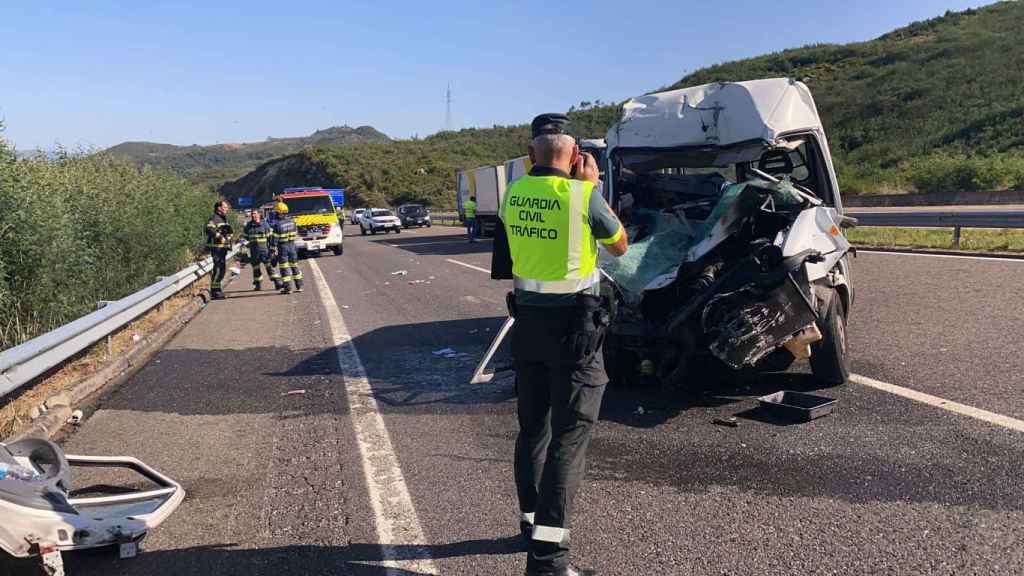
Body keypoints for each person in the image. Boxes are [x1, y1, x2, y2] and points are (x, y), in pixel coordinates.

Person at [498, 113, 628, 576]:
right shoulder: (583, 195)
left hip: (528, 328)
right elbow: (620, 246)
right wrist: (592, 187)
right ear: (575, 156)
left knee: (534, 429)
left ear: (531, 154)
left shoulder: (512, 194)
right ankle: (549, 562)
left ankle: (530, 524)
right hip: (575, 334)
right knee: (569, 440)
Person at [270, 201, 303, 294]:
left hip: (283, 248)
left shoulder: (278, 225)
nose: (275, 214)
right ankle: (299, 286)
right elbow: (296, 234)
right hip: (292, 246)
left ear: (280, 213)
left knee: (284, 268)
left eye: (276, 212)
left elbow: (274, 240)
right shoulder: (293, 222)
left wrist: (272, 251)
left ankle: (288, 288)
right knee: (294, 266)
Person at [243, 208, 278, 291]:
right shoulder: (248, 225)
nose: (253, 215)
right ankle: (258, 285)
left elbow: (270, 238)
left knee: (269, 267)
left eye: (254, 213)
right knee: (255, 268)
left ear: (259, 214)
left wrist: (273, 249)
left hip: (264, 250)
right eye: (252, 214)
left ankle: (277, 282)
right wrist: (246, 245)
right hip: (253, 251)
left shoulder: (265, 224)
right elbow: (244, 237)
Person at [205, 200, 233, 300]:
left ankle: (218, 289)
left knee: (222, 269)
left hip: (222, 249)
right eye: (225, 207)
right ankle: (215, 291)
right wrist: (220, 236)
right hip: (216, 249)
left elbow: (228, 231)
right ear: (219, 208)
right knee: (218, 269)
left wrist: (229, 237)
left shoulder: (223, 219)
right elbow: (208, 229)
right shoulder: (214, 219)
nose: (227, 209)